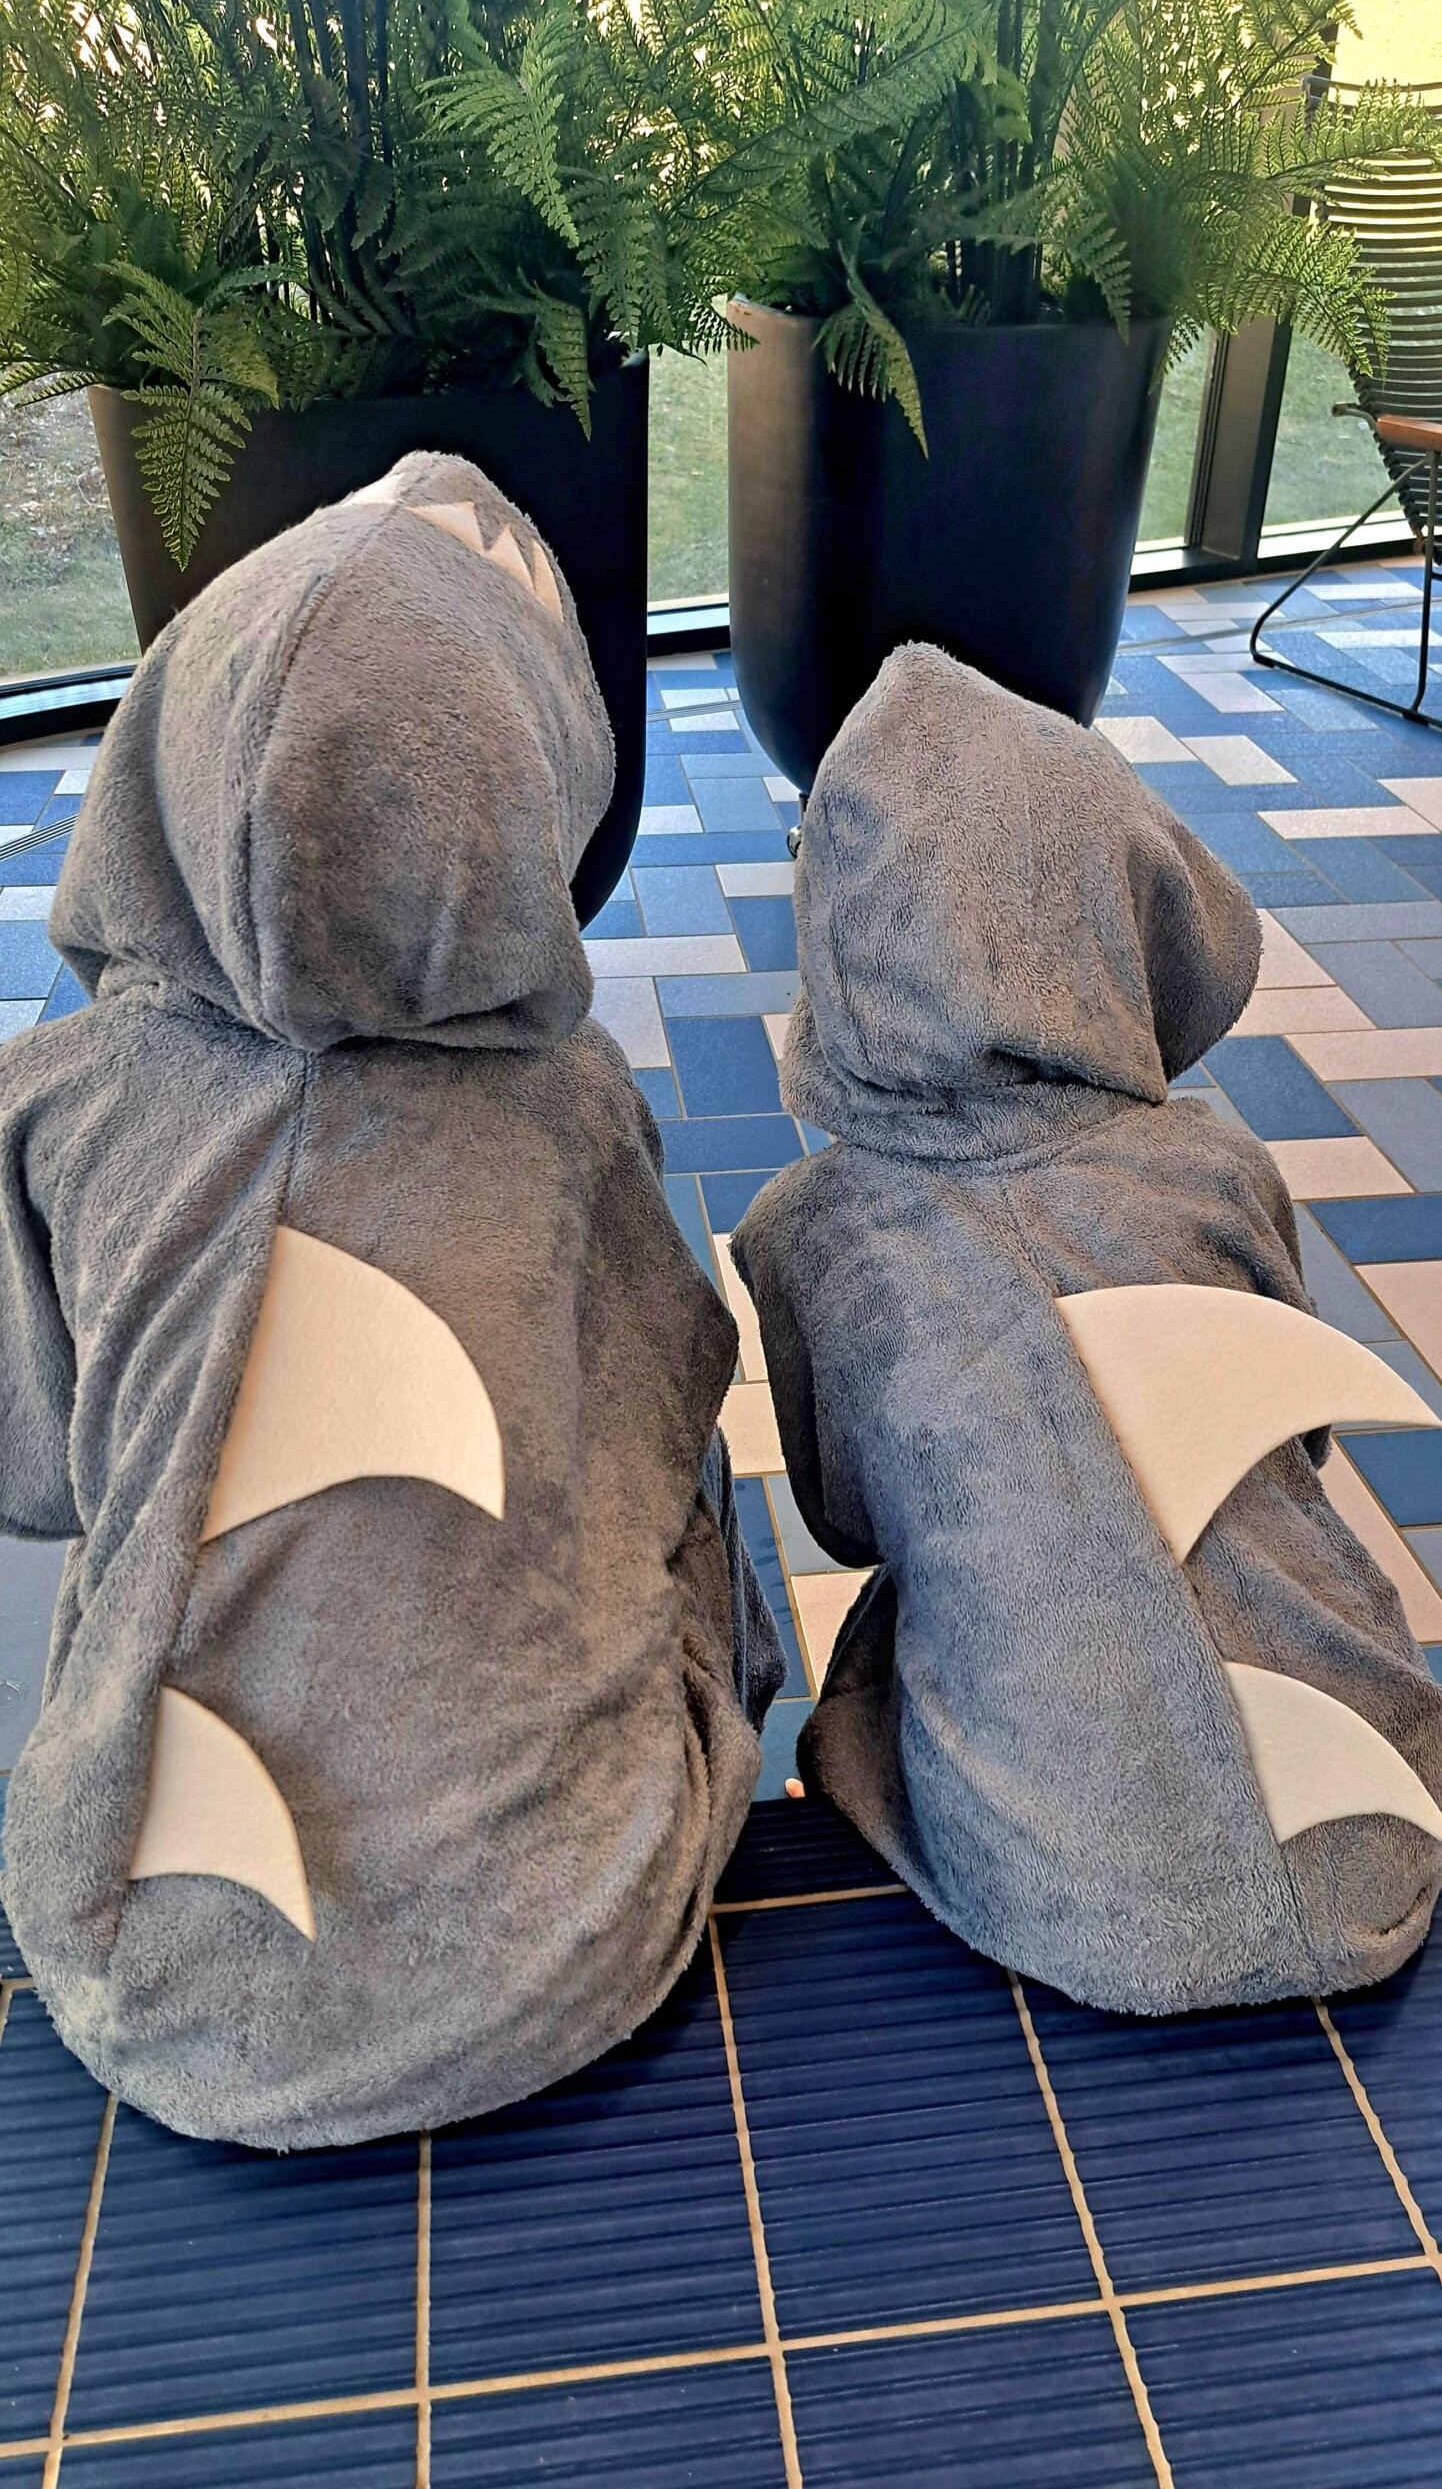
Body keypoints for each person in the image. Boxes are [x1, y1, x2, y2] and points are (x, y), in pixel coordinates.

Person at [0, 453, 781, 2147]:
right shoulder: (569, 1111)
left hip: (138, 1969)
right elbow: (654, 1422)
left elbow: (39, 1475)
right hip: (561, 1949)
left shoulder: (50, 1107)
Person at [731, 641, 1442, 2013]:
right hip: (1374, 1825)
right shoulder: (1217, 1170)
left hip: (1071, 1900)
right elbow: (1297, 1450)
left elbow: (851, 1520)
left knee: (902, 1633)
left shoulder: (804, 1235)